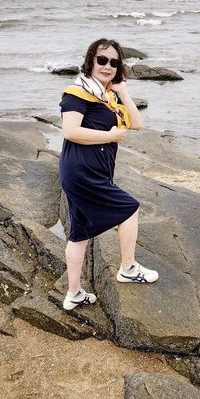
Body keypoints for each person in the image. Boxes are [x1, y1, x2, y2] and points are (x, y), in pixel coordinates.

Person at [58, 38, 159, 311]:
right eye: (102, 60)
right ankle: (127, 268)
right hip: (82, 171)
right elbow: (70, 131)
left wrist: (123, 91)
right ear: (90, 60)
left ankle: (74, 293)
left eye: (114, 62)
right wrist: (110, 135)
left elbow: (136, 123)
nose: (107, 66)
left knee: (79, 234)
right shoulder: (77, 93)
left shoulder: (108, 96)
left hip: (92, 171)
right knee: (129, 208)